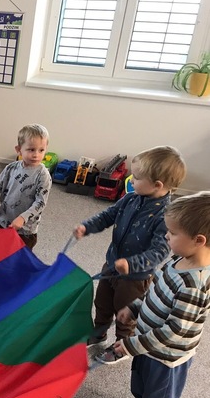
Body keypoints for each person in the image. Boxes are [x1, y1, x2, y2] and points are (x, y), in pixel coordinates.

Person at [98, 192, 210, 398]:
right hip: (147, 344)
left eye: (173, 233)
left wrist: (131, 345)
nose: (166, 236)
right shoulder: (178, 260)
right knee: (141, 385)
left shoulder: (194, 286)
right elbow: (154, 292)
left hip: (166, 356)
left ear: (198, 240)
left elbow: (173, 331)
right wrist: (134, 308)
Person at [73, 146, 186, 347]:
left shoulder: (166, 216)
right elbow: (108, 215)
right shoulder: (130, 198)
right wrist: (87, 227)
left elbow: (160, 251)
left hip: (135, 277)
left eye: (137, 178)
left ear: (157, 185)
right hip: (112, 264)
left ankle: (122, 344)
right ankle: (99, 334)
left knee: (125, 313)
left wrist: (131, 264)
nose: (131, 180)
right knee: (102, 303)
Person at [0, 124, 52, 249]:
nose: (36, 155)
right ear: (19, 149)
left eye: (41, 150)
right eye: (31, 149)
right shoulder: (11, 168)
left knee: (19, 258)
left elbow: (40, 202)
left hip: (25, 231)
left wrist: (22, 218)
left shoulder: (43, 175)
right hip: (3, 222)